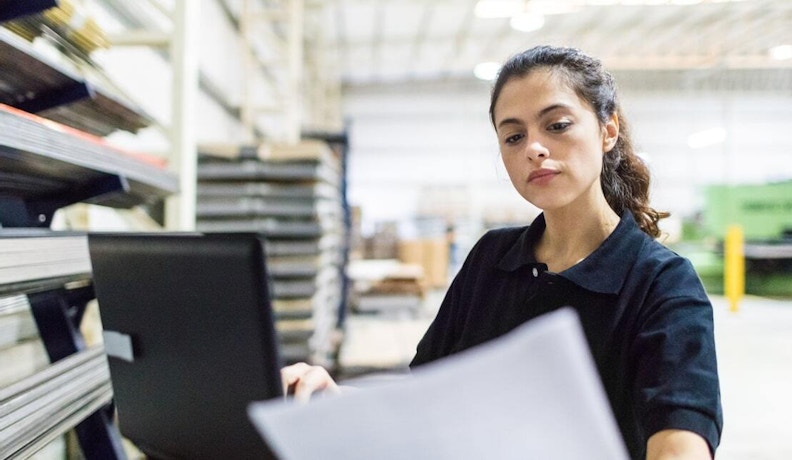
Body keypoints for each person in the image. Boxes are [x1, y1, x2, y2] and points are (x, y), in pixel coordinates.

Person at [281, 45, 723, 460]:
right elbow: (422, 402)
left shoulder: (661, 283)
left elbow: (680, 440)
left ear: (607, 131)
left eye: (557, 125)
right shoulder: (491, 260)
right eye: (513, 136)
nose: (534, 148)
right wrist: (331, 397)